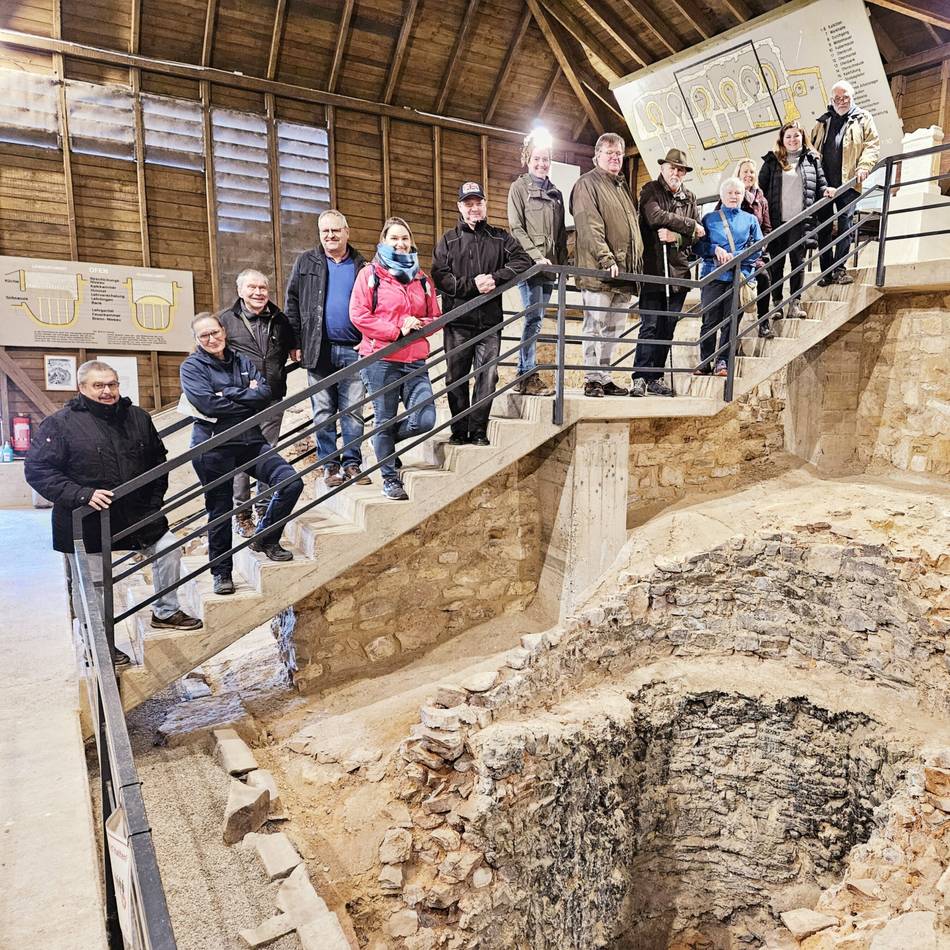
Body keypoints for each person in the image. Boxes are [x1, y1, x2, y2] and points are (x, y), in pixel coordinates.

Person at [25, 360, 202, 665]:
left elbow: (158, 461)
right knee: (92, 585)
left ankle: (166, 611)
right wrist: (81, 494)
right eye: (99, 385)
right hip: (86, 520)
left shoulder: (137, 417)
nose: (108, 391)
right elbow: (38, 470)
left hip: (137, 514)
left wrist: (154, 500)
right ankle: (98, 643)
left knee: (168, 548)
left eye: (112, 384)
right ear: (82, 388)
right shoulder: (60, 424)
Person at [180, 313, 304, 595]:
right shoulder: (192, 367)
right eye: (204, 336)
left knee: (291, 482)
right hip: (214, 446)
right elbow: (208, 405)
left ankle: (266, 538)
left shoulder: (240, 359)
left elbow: (265, 394)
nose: (212, 339)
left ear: (223, 331)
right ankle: (221, 573)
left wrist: (227, 394)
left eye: (215, 332)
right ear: (197, 340)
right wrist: (243, 395)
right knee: (220, 511)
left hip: (249, 440)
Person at [432, 181, 532, 445]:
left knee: (488, 377)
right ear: (460, 207)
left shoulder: (500, 238)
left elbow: (522, 260)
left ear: (485, 205)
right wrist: (472, 285)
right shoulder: (448, 241)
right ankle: (458, 430)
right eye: (468, 203)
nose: (474, 208)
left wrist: (496, 278)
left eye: (479, 203)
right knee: (455, 377)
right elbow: (440, 277)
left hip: (489, 323)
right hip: (458, 323)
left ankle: (478, 430)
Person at [351, 217, 441, 500]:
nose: (401, 243)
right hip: (381, 359)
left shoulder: (422, 278)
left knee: (425, 419)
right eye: (394, 238)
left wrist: (418, 324)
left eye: (405, 238)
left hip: (415, 359)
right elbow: (359, 315)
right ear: (384, 241)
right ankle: (389, 477)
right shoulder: (370, 275)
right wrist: (395, 329)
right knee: (384, 419)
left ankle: (384, 449)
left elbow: (436, 317)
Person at [285, 209, 371, 489]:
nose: (331, 236)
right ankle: (329, 465)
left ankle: (352, 463)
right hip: (317, 350)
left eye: (336, 230)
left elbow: (375, 305)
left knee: (354, 410)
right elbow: (293, 303)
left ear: (347, 232)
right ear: (320, 234)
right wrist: (295, 342)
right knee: (323, 412)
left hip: (354, 349)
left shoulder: (363, 265)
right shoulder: (306, 262)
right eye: (325, 231)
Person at [218, 268, 296, 537]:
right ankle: (242, 514)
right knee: (241, 458)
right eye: (252, 287)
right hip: (239, 404)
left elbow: (293, 349)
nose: (258, 292)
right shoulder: (225, 321)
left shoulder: (279, 319)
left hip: (272, 399)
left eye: (262, 288)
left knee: (269, 454)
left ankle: (265, 508)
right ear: (240, 291)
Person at [569, 131, 643, 398]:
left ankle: (605, 376)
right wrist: (606, 258)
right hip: (600, 271)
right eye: (610, 153)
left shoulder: (621, 187)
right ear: (597, 155)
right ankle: (592, 378)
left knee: (614, 330)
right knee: (595, 325)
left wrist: (635, 269)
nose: (615, 158)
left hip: (623, 273)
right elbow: (589, 225)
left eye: (619, 154)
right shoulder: (587, 184)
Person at [630, 147, 705, 396]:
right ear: (663, 168)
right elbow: (654, 217)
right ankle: (640, 376)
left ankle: (656, 376)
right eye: (673, 167)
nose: (676, 172)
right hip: (654, 270)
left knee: (668, 327)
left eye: (681, 169)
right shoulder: (650, 190)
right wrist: (689, 224)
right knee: (650, 324)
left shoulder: (690, 198)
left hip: (679, 274)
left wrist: (677, 237)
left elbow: (696, 239)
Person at [507, 130, 567, 396]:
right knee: (533, 319)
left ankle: (526, 373)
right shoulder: (518, 188)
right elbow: (516, 227)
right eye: (536, 159)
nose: (541, 164)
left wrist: (563, 265)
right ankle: (525, 374)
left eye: (545, 159)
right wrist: (535, 256)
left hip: (550, 267)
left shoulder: (555, 193)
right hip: (531, 266)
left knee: (539, 319)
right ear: (527, 159)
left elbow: (561, 233)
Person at [811, 80, 880, 286]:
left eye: (845, 97)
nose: (841, 101)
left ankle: (839, 269)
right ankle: (825, 271)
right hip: (824, 186)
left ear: (852, 97)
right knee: (823, 228)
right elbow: (813, 148)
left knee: (845, 225)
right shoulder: (823, 121)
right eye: (837, 98)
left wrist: (865, 165)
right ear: (831, 100)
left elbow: (872, 144)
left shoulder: (863, 118)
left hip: (848, 183)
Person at [694, 177, 763, 377]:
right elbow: (698, 246)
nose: (734, 196)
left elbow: (758, 247)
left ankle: (722, 362)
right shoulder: (709, 219)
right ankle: (705, 361)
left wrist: (738, 257)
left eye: (738, 193)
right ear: (722, 196)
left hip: (738, 278)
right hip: (713, 276)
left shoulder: (750, 219)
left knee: (731, 322)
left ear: (743, 196)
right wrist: (714, 249)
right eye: (730, 193)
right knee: (709, 321)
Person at [759, 123, 827, 319]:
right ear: (782, 139)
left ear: (802, 137)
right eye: (788, 136)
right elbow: (760, 190)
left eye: (796, 136)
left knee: (798, 262)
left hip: (800, 221)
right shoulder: (772, 161)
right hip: (776, 221)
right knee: (776, 264)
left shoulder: (812, 160)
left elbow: (821, 184)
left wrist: (827, 190)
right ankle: (777, 304)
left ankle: (795, 304)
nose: (792, 140)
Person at [734, 159, 773, 338]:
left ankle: (763, 322)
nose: (749, 175)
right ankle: (731, 336)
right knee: (737, 293)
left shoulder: (761, 199)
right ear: (739, 174)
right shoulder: (731, 195)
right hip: (735, 255)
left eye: (751, 172)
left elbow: (767, 228)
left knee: (764, 277)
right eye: (745, 172)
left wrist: (760, 247)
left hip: (756, 254)